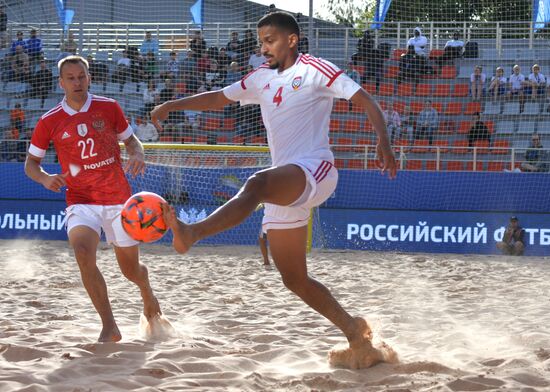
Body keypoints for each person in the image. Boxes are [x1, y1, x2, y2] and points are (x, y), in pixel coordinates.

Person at [151, 11, 398, 369]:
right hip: (285, 183)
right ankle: (357, 335)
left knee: (257, 182)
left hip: (317, 168)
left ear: (291, 39)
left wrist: (384, 143)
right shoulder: (260, 78)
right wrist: (173, 105)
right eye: (261, 42)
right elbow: (220, 98)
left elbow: (366, 101)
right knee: (294, 279)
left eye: (270, 40)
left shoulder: (317, 69)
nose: (263, 48)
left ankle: (192, 233)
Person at [24, 55, 163, 342]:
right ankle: (109, 326)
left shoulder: (108, 107)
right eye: (71, 78)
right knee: (83, 254)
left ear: (89, 78)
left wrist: (137, 153)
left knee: (131, 271)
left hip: (117, 200)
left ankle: (146, 288)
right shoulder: (49, 120)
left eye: (81, 76)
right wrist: (46, 177)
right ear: (61, 82)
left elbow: (132, 141)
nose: (77, 82)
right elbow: (31, 164)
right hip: (80, 200)